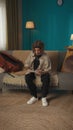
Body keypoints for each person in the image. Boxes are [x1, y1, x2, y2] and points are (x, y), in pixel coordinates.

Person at [25, 40, 51, 107]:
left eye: (38, 50)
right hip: (32, 71)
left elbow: (48, 68)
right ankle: (34, 96)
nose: (37, 52)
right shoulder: (31, 54)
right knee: (27, 77)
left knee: (47, 78)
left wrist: (42, 71)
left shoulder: (46, 56)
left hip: (42, 72)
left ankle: (44, 97)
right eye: (35, 50)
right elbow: (26, 64)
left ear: (42, 49)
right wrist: (31, 69)